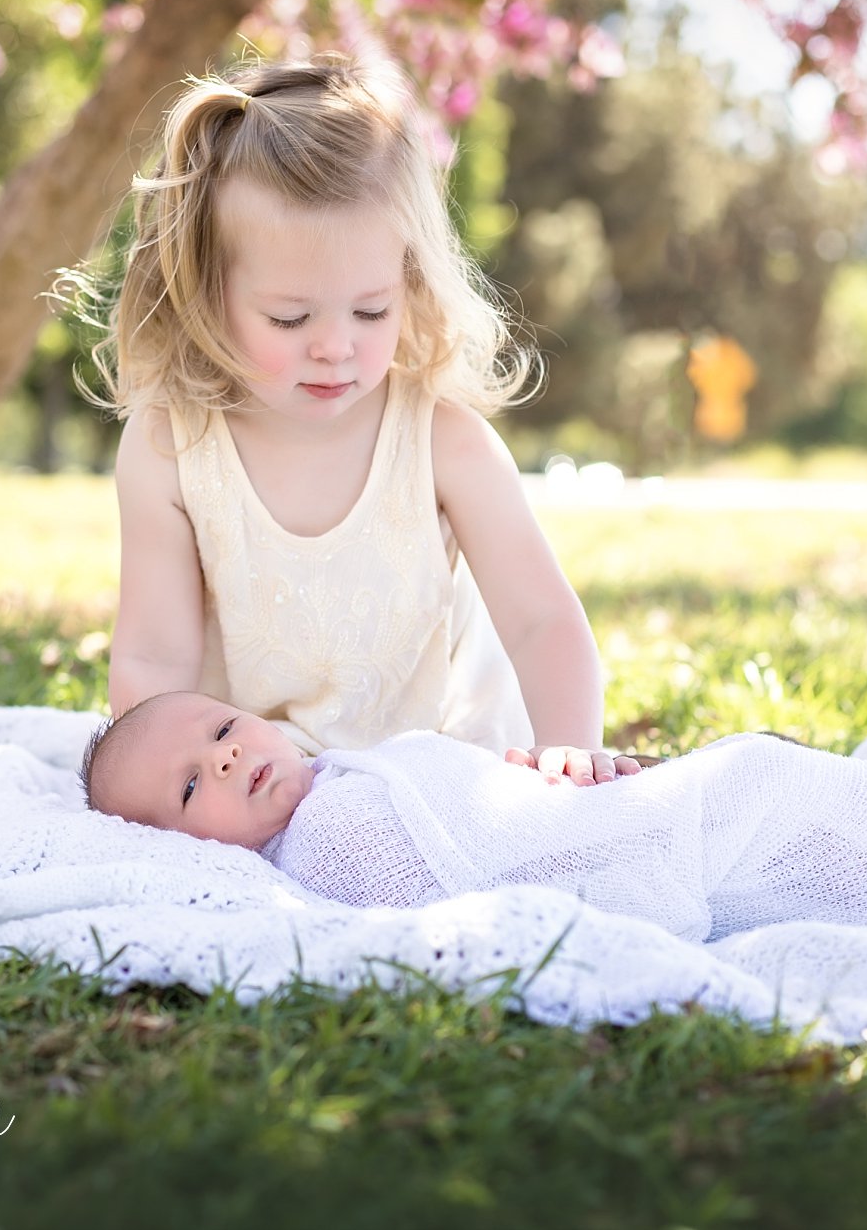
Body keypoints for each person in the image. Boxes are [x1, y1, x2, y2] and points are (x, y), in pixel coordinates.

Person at [92, 53, 635, 785]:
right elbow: (155, 659)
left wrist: (571, 745)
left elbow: (542, 620)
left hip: (435, 777)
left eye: (372, 309)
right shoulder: (171, 444)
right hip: (254, 788)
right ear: (205, 290)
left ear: (409, 280)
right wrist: (177, 792)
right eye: (289, 316)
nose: (335, 347)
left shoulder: (443, 441)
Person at [80, 692, 867, 943]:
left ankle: (760, 795)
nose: (227, 757)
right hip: (622, 859)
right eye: (194, 787)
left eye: (224, 729)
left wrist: (551, 786)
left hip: (594, 816)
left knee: (737, 790)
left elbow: (481, 805)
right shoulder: (319, 848)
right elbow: (452, 880)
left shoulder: (351, 769)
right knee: (738, 804)